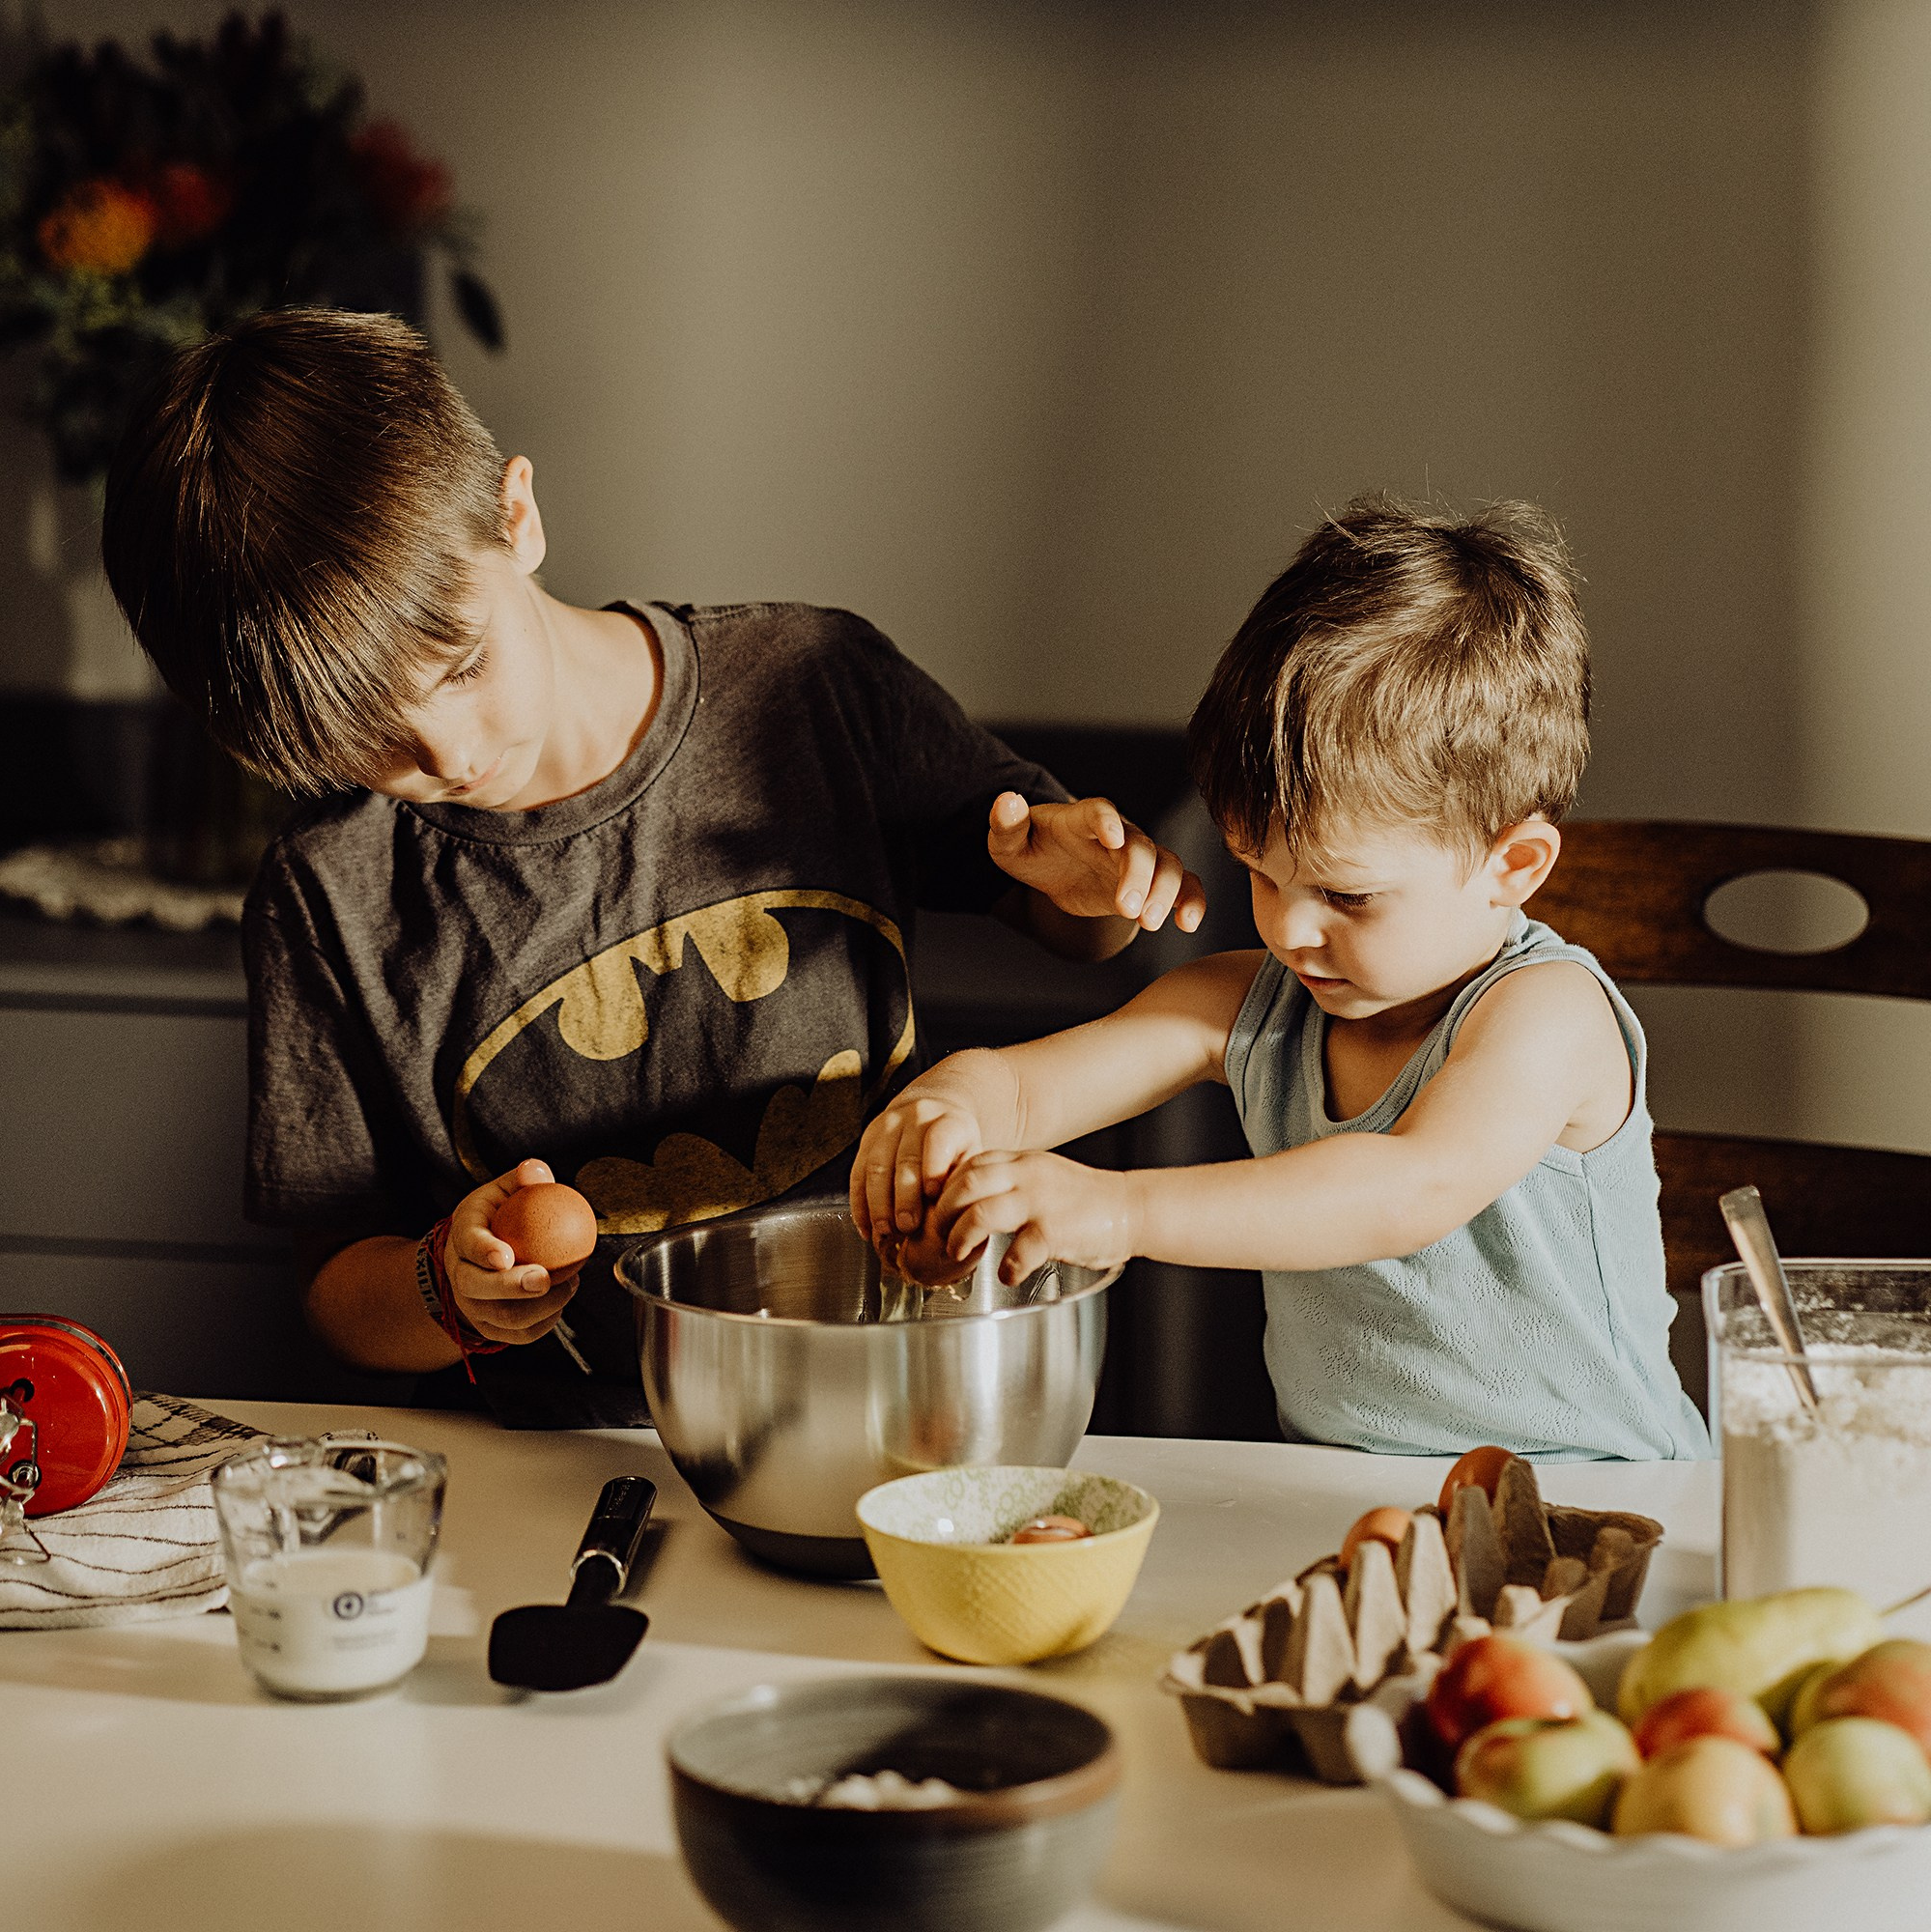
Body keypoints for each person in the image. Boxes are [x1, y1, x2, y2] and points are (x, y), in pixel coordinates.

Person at [100, 306, 1204, 1426]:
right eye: (368, 745)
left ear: (516, 515)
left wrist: (1091, 892)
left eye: (464, 665)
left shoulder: (805, 687)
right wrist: (449, 1285)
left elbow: (1067, 921)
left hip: (884, 1387)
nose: (452, 754)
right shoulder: (327, 893)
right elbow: (340, 1296)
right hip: (563, 1452)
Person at [852, 496, 1711, 1460]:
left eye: (1346, 894)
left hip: (1595, 1502)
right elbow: (1020, 1088)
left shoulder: (1544, 1014)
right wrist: (941, 1112)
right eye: (1258, 871)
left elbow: (1405, 1188)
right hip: (1335, 1494)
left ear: (1511, 866)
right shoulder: (1247, 1005)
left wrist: (1121, 1208)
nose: (1288, 927)